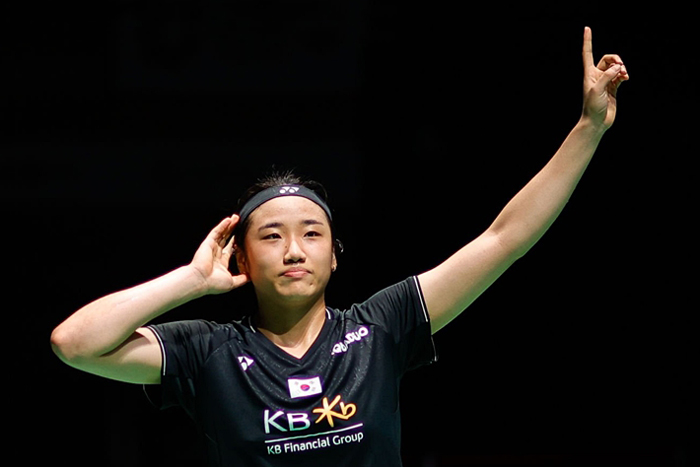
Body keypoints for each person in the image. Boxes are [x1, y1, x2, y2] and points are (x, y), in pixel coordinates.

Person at [51, 27, 628, 466]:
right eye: (271, 236)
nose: (294, 250)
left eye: (312, 233)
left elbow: (504, 239)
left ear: (334, 255)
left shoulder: (381, 328)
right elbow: (74, 344)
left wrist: (588, 129)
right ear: (241, 258)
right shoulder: (208, 352)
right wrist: (192, 280)